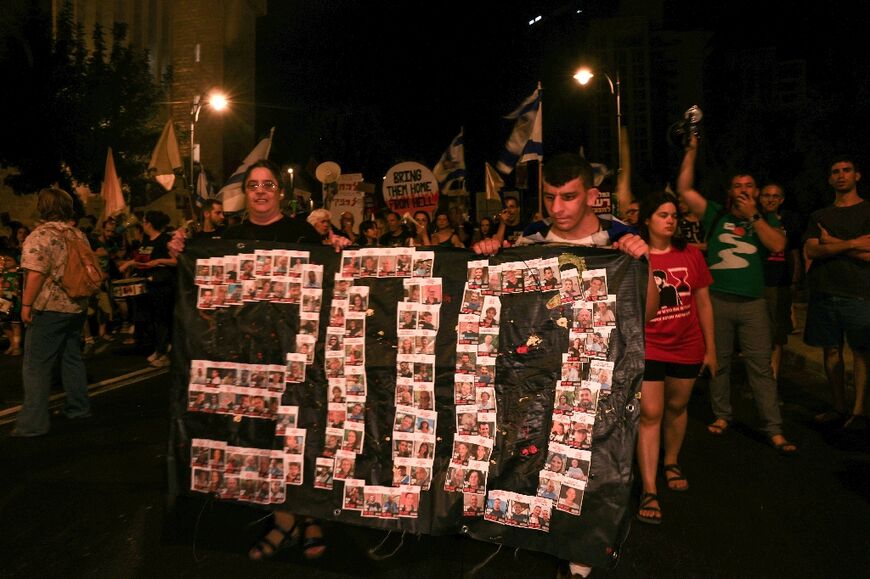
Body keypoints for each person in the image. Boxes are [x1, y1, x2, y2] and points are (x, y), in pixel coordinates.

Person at [473, 153, 655, 579]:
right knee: (539, 454)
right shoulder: (528, 240)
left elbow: (647, 312)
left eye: (569, 197)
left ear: (592, 195)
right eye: (551, 197)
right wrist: (486, 256)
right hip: (539, 376)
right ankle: (540, 531)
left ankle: (581, 551)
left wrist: (643, 263)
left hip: (598, 371)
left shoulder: (622, 241)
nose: (558, 208)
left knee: (596, 455)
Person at [170, 160, 341, 561]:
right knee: (264, 439)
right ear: (244, 193)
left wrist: (338, 250)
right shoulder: (231, 237)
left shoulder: (302, 233)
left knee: (301, 434)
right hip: (250, 359)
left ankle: (302, 518)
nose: (261, 191)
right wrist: (181, 251)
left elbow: (330, 283)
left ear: (280, 191)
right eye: (253, 185)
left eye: (268, 184)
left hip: (298, 351)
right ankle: (289, 519)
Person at [677, 133, 797, 454]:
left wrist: (754, 216)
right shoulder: (716, 213)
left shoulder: (767, 219)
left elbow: (778, 246)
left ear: (756, 192)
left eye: (749, 186)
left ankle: (773, 428)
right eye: (737, 186)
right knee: (720, 361)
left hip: (753, 304)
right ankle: (722, 415)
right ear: (729, 192)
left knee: (759, 365)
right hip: (717, 300)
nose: (743, 190)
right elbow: (685, 190)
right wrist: (691, 151)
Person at [634, 193, 716, 525]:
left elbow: (704, 303)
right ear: (647, 220)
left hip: (687, 344)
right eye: (662, 214)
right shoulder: (636, 257)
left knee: (677, 407)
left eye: (673, 215)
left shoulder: (691, 255)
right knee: (650, 412)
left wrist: (711, 350)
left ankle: (671, 460)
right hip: (650, 345)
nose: (670, 220)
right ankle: (649, 488)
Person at [12, 188, 92, 437]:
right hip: (77, 305)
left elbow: (35, 274)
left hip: (50, 307)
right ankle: (79, 406)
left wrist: (25, 306)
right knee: (71, 357)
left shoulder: (40, 236)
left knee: (36, 364)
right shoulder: (77, 234)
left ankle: (32, 424)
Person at [803, 155, 870, 430]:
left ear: (857, 175)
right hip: (825, 291)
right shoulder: (819, 216)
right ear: (830, 179)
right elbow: (811, 250)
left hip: (860, 293)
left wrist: (833, 243)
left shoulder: (868, 211)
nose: (841, 175)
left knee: (862, 353)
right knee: (831, 352)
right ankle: (839, 406)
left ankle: (860, 410)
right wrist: (855, 244)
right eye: (835, 172)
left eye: (846, 170)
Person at [118, 210, 176, 367]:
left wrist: (158, 261)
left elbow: (176, 260)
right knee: (154, 319)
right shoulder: (146, 240)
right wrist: (128, 264)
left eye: (143, 221)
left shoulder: (166, 239)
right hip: (149, 285)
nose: (141, 224)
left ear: (149, 223)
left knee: (162, 319)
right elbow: (140, 260)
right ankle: (161, 348)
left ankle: (164, 354)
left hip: (163, 285)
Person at [759, 183, 803, 381]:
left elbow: (794, 252)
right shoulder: (755, 221)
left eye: (775, 196)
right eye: (766, 195)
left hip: (780, 283)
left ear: (782, 200)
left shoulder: (789, 221)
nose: (771, 199)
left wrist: (794, 281)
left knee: (777, 335)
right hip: (758, 282)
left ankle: (772, 380)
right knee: (758, 335)